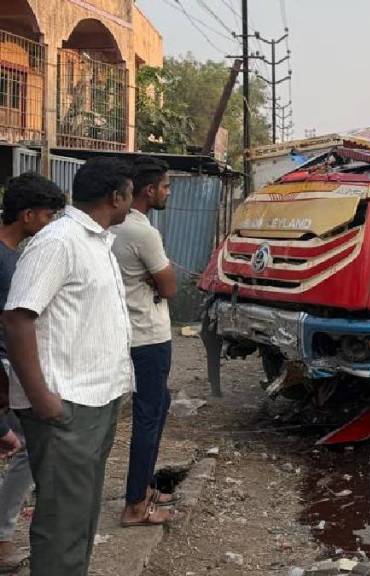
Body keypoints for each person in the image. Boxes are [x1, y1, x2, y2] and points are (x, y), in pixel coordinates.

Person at [3, 157, 134, 576]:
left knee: (81, 516)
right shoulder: (59, 241)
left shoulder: (97, 242)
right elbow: (18, 317)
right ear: (116, 197)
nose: (131, 204)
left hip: (98, 399)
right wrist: (43, 399)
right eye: (130, 195)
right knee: (62, 524)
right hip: (67, 406)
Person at [0, 172, 65, 571]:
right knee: (23, 449)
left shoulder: (18, 255)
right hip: (4, 372)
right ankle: (3, 537)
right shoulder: (4, 259)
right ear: (27, 215)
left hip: (10, 369)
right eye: (47, 216)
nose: (50, 225)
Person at [111, 157, 178, 527]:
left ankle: (144, 486)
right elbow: (169, 286)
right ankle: (135, 505)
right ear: (149, 190)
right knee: (149, 416)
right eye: (166, 186)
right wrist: (157, 280)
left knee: (157, 405)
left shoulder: (113, 227)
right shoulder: (142, 233)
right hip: (149, 337)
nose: (168, 192)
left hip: (127, 332)